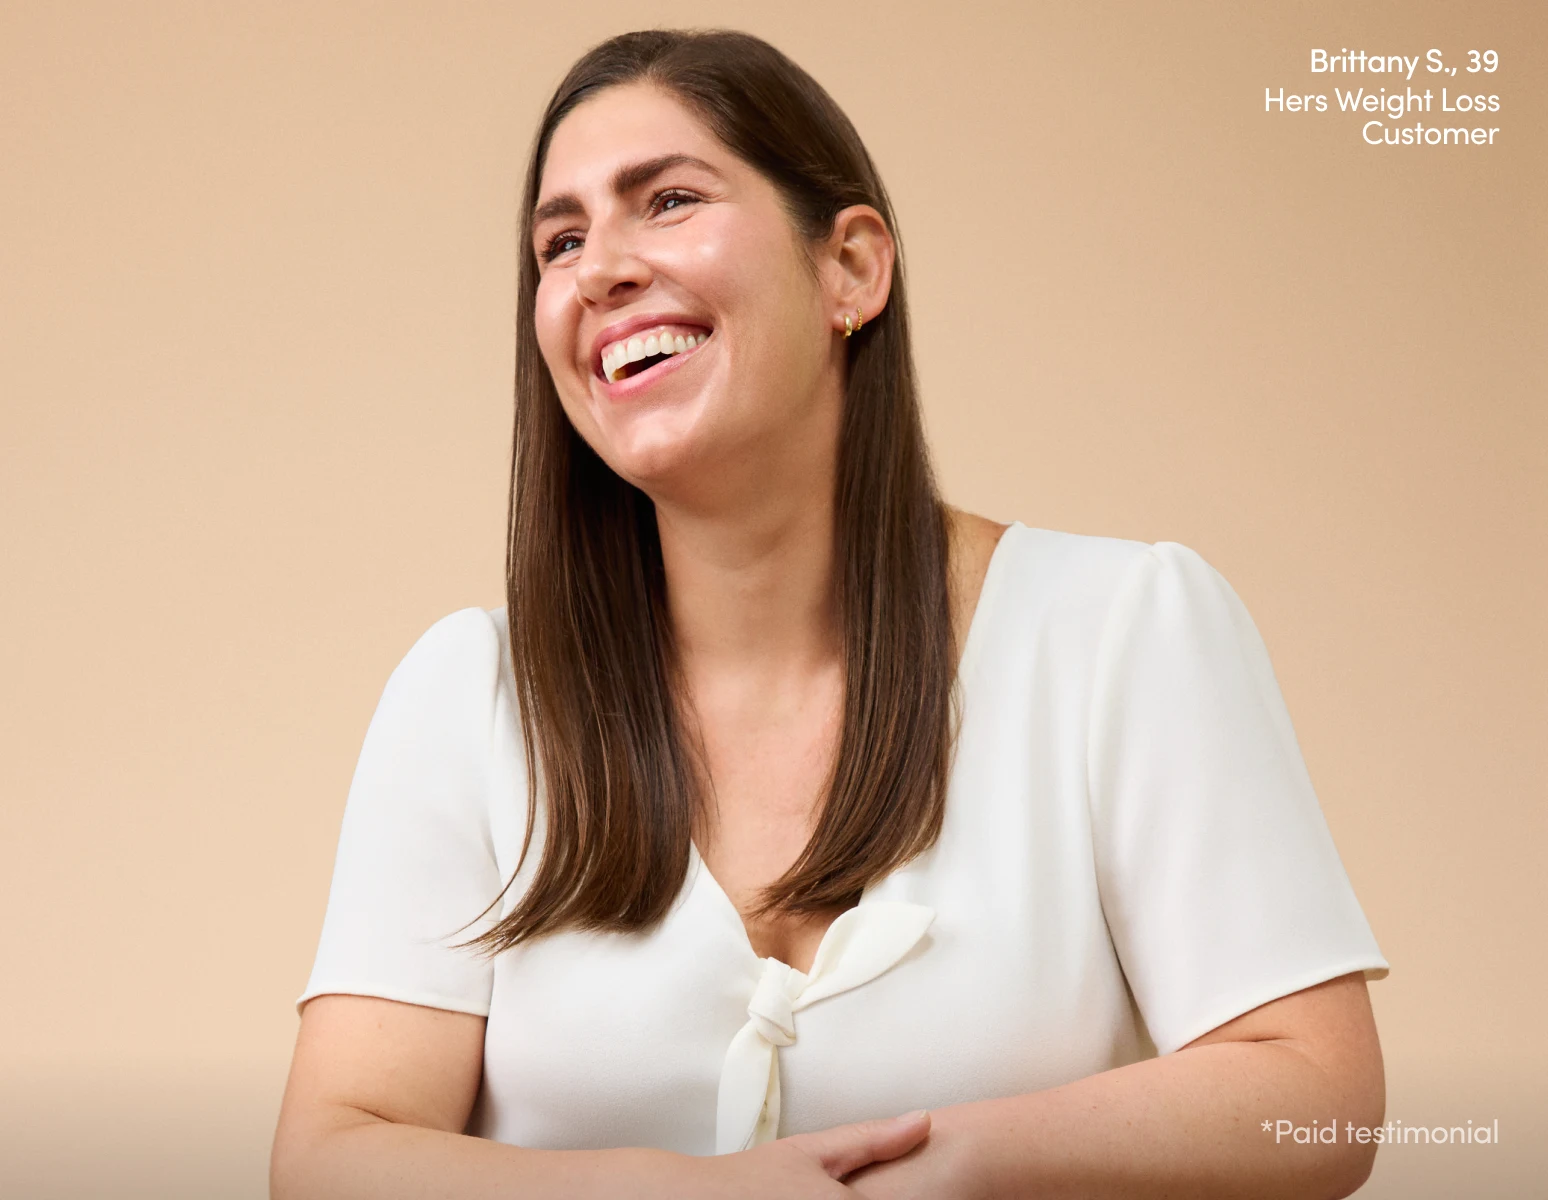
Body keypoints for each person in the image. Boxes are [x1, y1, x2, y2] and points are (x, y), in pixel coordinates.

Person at [271, 28, 1389, 1200]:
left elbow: (1314, 1096)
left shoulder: (1123, 632)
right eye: (560, 242)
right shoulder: (470, 698)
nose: (599, 269)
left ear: (851, 267)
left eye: (668, 200)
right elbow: (333, 1155)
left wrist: (947, 1164)